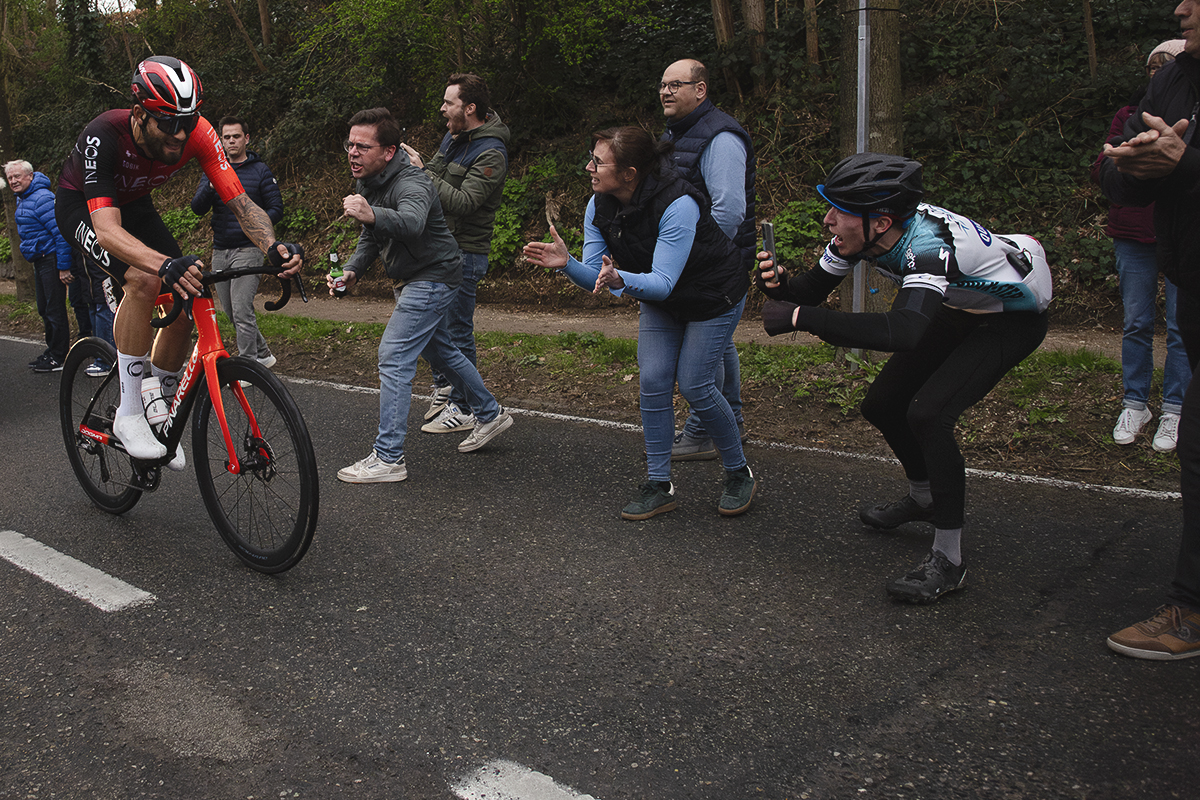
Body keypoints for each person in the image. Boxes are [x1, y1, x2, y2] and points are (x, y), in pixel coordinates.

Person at [759, 152, 1052, 603]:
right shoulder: (858, 236)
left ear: (880, 222)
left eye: (839, 211)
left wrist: (801, 317)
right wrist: (779, 286)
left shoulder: (929, 247)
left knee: (929, 414)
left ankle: (950, 560)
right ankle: (924, 497)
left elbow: (903, 331)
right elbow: (808, 290)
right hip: (959, 307)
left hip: (1010, 319)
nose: (827, 219)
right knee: (882, 405)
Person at [55, 55, 303, 466]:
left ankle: (162, 406)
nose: (180, 134)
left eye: (187, 121)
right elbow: (107, 230)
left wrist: (273, 248)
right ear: (138, 114)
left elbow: (242, 204)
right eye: (168, 123)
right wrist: (160, 265)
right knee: (144, 279)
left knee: (191, 287)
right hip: (84, 208)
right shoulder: (105, 134)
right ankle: (130, 412)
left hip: (135, 204)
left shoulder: (199, 134)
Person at [523, 126, 755, 519]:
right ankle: (658, 484)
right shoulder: (599, 204)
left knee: (697, 384)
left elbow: (662, 283)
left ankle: (738, 472)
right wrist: (568, 265)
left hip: (714, 296)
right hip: (661, 298)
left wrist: (621, 279)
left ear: (630, 172)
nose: (588, 167)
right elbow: (599, 277)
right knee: (654, 379)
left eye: (598, 162)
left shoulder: (677, 203)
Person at [330, 107, 513, 484]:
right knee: (441, 351)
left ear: (389, 151)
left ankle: (388, 457)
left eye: (363, 146)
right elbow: (372, 236)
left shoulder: (413, 182)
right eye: (350, 145)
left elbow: (411, 223)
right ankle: (489, 412)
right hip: (415, 278)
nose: (353, 152)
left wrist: (370, 214)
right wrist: (351, 269)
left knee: (394, 355)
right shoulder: (372, 182)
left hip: (434, 276)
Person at [1098, 0, 1200, 660]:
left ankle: (1189, 612)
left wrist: (1181, 164)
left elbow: (1180, 164)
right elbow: (1117, 167)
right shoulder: (1177, 75)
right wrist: (1129, 165)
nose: (1182, 7)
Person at [1091, 39, 1191, 453]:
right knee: (1135, 322)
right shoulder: (1128, 116)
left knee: (1180, 329)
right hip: (1133, 236)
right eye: (1153, 65)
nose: (1158, 72)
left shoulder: (1191, 121)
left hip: (1182, 236)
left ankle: (1175, 408)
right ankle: (1135, 403)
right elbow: (1104, 163)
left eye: (1167, 64)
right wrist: (1128, 160)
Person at [400, 73, 510, 435]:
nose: (442, 109)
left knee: (457, 332)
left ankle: (465, 408)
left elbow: (464, 202)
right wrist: (421, 166)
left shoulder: (491, 151)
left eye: (449, 103)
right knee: (439, 330)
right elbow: (434, 173)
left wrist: (424, 175)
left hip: (467, 251)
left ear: (470, 108)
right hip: (442, 246)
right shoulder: (453, 136)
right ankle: (451, 391)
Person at [657, 58, 755, 461]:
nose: (665, 91)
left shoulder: (720, 137)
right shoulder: (677, 133)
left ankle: (702, 431)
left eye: (675, 84)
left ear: (700, 90)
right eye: (662, 84)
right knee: (720, 344)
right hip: (701, 263)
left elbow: (729, 211)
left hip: (713, 266)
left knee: (702, 354)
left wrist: (691, 258)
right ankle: (727, 421)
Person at [191, 115, 283, 368]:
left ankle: (248, 366)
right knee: (231, 312)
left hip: (249, 248)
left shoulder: (260, 171)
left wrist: (252, 224)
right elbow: (197, 208)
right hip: (220, 248)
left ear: (246, 138)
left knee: (242, 309)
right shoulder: (213, 169)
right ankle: (263, 354)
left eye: (236, 136)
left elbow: (276, 208)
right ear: (221, 140)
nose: (231, 141)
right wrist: (210, 186)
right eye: (227, 137)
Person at [6, 159, 73, 373]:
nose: (14, 181)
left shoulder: (42, 198)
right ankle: (52, 351)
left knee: (54, 309)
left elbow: (61, 232)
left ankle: (59, 357)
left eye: (17, 176)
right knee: (44, 309)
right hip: (39, 260)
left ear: (30, 176)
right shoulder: (23, 198)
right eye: (10, 178)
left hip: (50, 259)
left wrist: (64, 266)